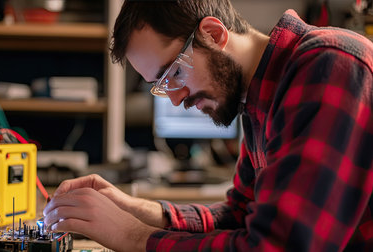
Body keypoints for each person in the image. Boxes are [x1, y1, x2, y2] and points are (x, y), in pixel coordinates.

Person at [43, 0, 373, 251]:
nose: (174, 99)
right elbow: (239, 216)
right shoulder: (259, 97)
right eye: (161, 85)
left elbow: (275, 245)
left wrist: (131, 235)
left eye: (173, 73)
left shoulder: (330, 66)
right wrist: (133, 209)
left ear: (213, 35)